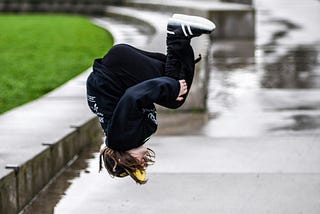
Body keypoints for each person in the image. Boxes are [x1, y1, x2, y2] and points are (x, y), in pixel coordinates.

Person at [86, 14, 215, 184]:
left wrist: (171, 87)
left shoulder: (122, 137)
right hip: (119, 66)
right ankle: (182, 36)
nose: (143, 162)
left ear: (123, 158)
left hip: (118, 69)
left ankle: (178, 35)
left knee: (175, 95)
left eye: (137, 164)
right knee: (174, 87)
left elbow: (133, 96)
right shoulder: (125, 136)